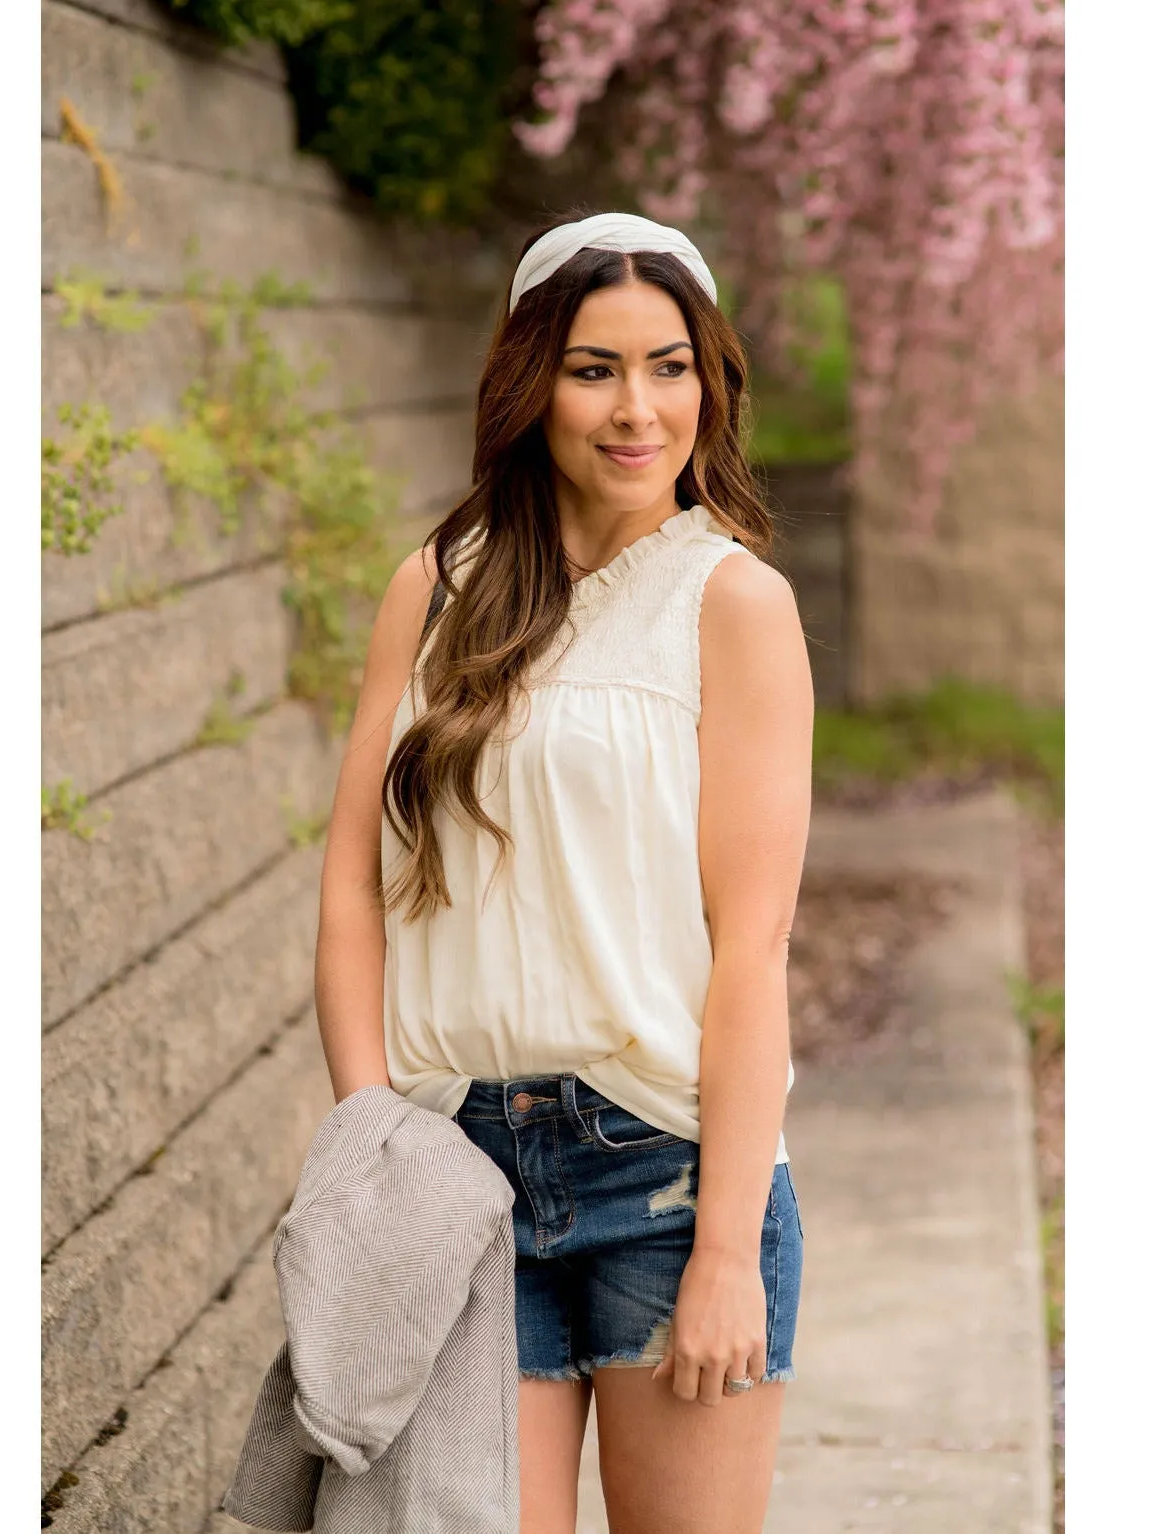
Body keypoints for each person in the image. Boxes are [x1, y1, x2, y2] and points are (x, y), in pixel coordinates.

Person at [312, 210, 815, 1534]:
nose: (636, 407)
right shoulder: (435, 587)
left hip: (663, 1168)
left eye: (668, 365)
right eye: (594, 367)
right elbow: (354, 886)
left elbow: (751, 943)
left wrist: (720, 1249)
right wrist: (371, 1147)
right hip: (454, 1169)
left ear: (710, 383)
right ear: (529, 382)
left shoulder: (731, 603)